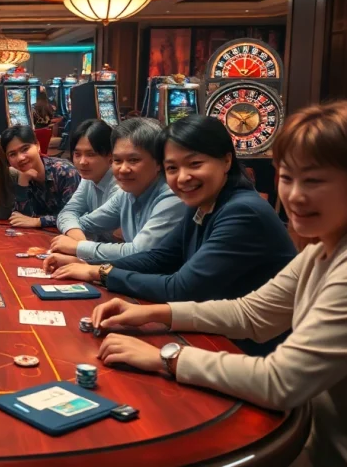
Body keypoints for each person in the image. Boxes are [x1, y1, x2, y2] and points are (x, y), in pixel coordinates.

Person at [91, 101, 347, 467]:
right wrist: (150, 313)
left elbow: (280, 381)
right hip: (317, 436)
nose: (294, 196)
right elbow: (251, 312)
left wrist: (166, 357)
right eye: (287, 177)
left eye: (314, 180)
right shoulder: (326, 248)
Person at [49, 115, 295, 355]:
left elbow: (181, 287)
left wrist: (100, 271)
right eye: (172, 168)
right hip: (212, 332)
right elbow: (160, 257)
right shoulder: (205, 202)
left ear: (226, 161)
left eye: (195, 164)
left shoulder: (242, 211)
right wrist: (93, 267)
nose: (182, 177)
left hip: (254, 352)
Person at [47, 118, 184, 264]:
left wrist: (79, 248)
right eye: (117, 161)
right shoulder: (126, 192)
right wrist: (78, 245)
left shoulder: (172, 195)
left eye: (133, 160)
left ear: (159, 163)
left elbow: (140, 252)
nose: (123, 169)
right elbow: (83, 223)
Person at [1, 125, 81, 229]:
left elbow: (76, 215)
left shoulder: (65, 172)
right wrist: (23, 183)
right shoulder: (18, 177)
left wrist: (39, 221)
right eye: (12, 154)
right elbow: (21, 219)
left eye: (25, 149)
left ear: (38, 146)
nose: (20, 158)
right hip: (41, 237)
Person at [56, 119, 119, 238]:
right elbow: (68, 212)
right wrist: (80, 242)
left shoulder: (120, 184)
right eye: (77, 154)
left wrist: (78, 245)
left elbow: (92, 223)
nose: (82, 162)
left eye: (91, 154)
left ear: (110, 156)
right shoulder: (88, 178)